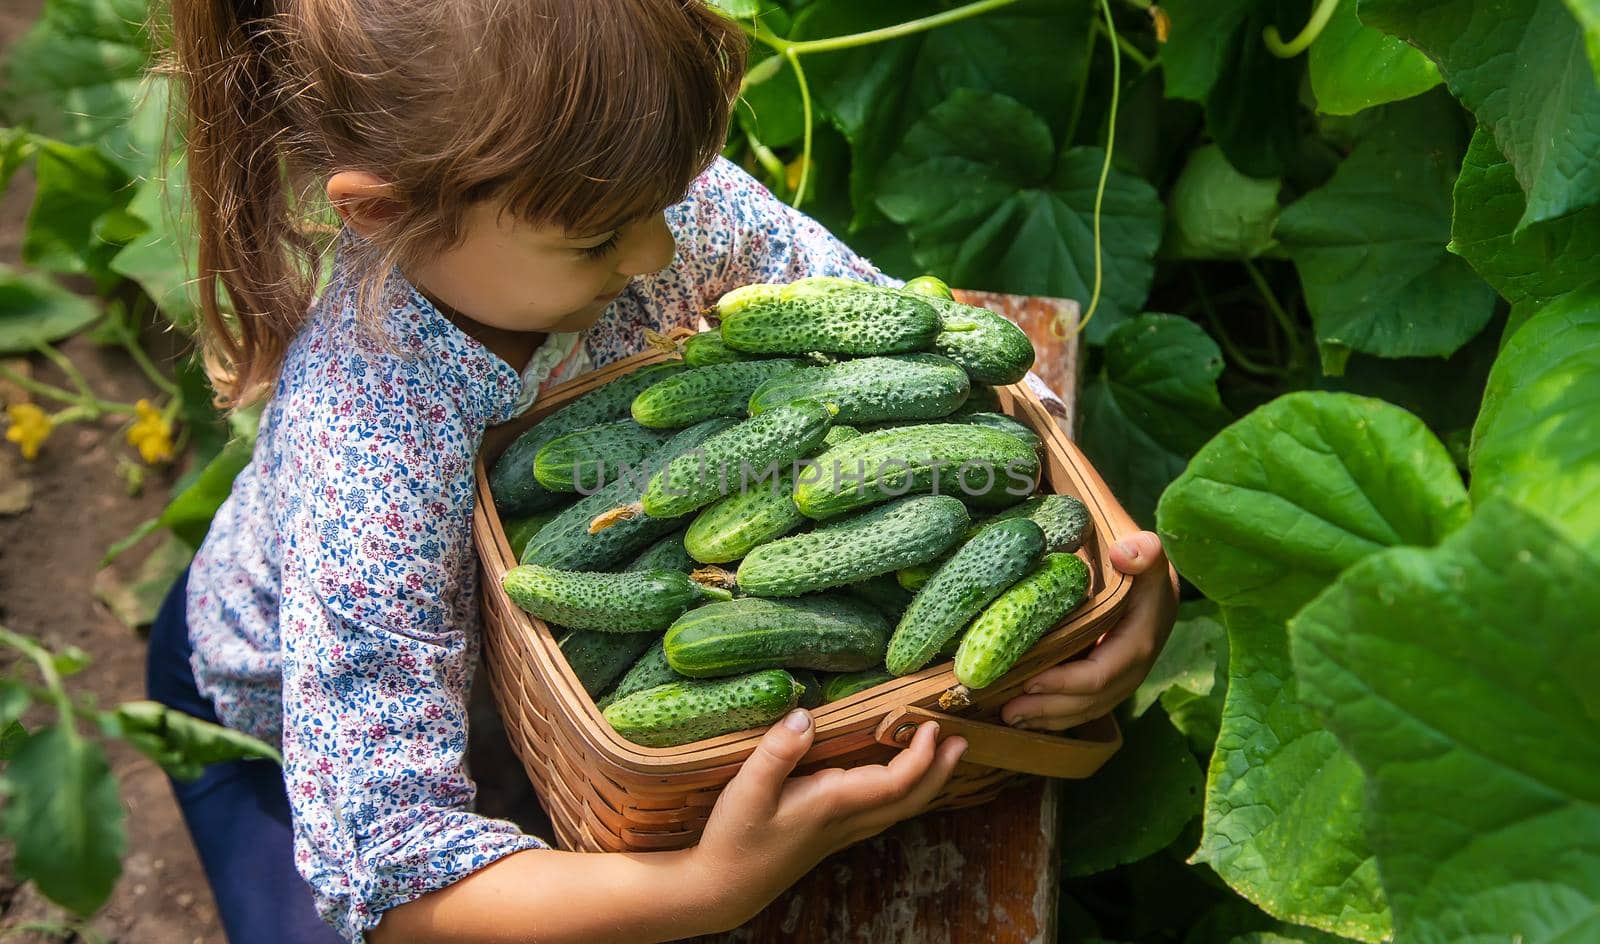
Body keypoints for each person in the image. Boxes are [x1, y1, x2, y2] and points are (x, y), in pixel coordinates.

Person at [144, 0, 1179, 941]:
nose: (655, 254)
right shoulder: (368, 443)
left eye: (675, 195)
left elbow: (912, 348)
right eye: (598, 241)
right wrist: (713, 886)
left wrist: (1108, 538)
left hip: (524, 681)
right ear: (380, 212)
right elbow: (389, 872)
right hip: (282, 731)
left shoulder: (650, 207)